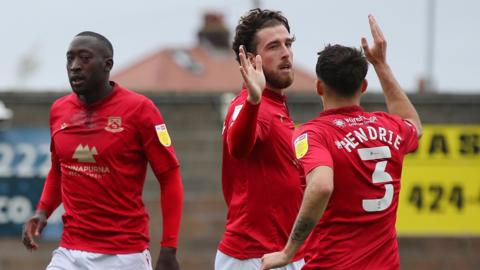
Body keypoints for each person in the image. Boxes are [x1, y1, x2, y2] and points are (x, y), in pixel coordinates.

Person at [260, 15, 422, 270]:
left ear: (319, 87)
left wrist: (288, 252)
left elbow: (322, 186)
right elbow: (413, 122)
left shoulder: (313, 134)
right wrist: (380, 64)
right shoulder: (391, 127)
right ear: (364, 85)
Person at [21, 31, 184, 270]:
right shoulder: (59, 110)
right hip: (69, 252)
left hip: (124, 255)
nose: (75, 67)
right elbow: (59, 170)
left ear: (107, 65)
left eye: (84, 58)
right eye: (70, 59)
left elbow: (169, 178)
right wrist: (43, 211)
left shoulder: (140, 110)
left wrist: (169, 248)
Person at [215, 8, 305, 270]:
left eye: (288, 44)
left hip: (282, 253)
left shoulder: (275, 105)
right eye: (274, 46)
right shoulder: (249, 105)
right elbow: (239, 147)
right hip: (252, 257)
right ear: (251, 60)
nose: (286, 52)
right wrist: (254, 101)